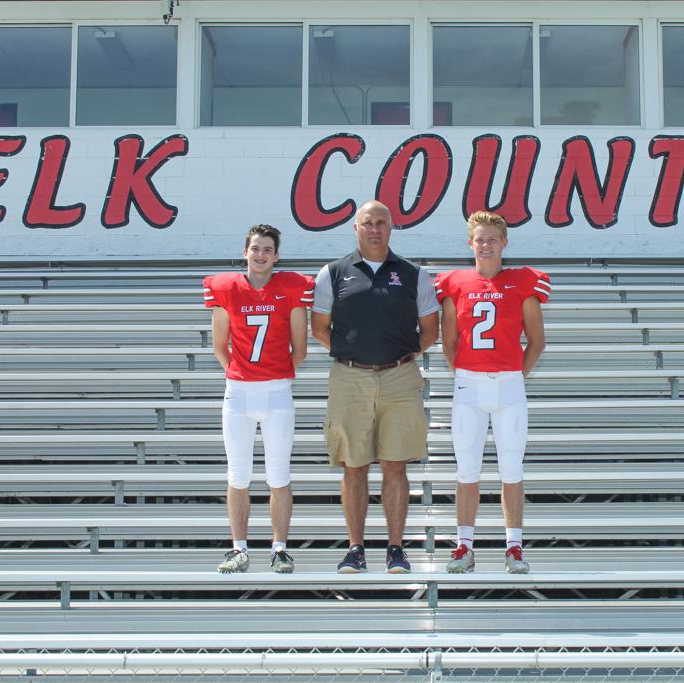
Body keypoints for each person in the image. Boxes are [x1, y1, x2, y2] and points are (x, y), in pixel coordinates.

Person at [311, 200, 440, 574]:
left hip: (400, 377)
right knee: (353, 466)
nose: (374, 229)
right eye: (367, 222)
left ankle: (396, 548)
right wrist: (353, 352)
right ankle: (355, 548)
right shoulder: (333, 273)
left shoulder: (414, 274)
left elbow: (430, 331)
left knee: (395, 465)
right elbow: (319, 328)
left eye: (381, 222)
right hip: (349, 377)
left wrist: (397, 354)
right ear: (356, 228)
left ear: (391, 227)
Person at [435, 210, 549, 574]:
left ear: (504, 243)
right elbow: (448, 340)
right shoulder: (454, 282)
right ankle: (463, 546)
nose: (485, 245)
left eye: (492, 239)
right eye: (479, 239)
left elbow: (537, 340)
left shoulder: (523, 282)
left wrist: (515, 374)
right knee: (466, 469)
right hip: (469, 385)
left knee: (511, 469)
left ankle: (513, 547)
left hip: (509, 385)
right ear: (470, 242)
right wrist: (468, 374)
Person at [203, 224, 314, 574]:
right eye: (255, 248)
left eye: (267, 249)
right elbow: (220, 346)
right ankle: (238, 548)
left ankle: (279, 547)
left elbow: (301, 348)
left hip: (277, 392)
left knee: (278, 475)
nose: (261, 254)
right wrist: (242, 373)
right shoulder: (226, 288)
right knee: (238, 474)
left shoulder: (291, 288)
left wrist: (275, 374)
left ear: (277, 255)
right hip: (238, 393)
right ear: (245, 252)